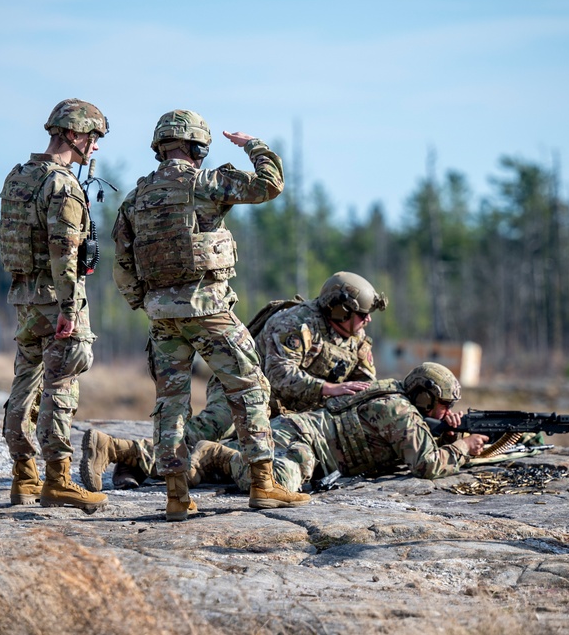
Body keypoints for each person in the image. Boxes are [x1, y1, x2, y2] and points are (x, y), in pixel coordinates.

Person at [111, 109, 309, 521]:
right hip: (209, 310)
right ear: (197, 146)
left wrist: (146, 303)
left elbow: (123, 264)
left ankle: (176, 496)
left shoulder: (136, 198)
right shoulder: (205, 182)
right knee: (250, 386)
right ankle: (263, 484)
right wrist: (253, 144)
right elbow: (271, 184)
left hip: (162, 317)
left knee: (170, 403)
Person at [82, 271, 387, 490]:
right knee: (210, 428)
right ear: (339, 309)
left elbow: (364, 388)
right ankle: (123, 453)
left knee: (235, 454)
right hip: (244, 393)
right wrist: (327, 389)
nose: (367, 321)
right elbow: (280, 375)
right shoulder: (295, 324)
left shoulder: (357, 342)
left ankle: (138, 461)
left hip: (289, 416)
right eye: (362, 314)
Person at [0, 98, 108, 513]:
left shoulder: (18, 177)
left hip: (25, 297)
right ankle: (58, 479)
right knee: (62, 384)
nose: (94, 148)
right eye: (93, 138)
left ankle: (23, 476)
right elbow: (65, 250)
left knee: (25, 383)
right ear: (75, 134)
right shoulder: (61, 184)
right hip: (55, 300)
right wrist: (69, 307)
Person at [187, 363, 489, 493]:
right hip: (300, 440)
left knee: (186, 465)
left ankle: (141, 455)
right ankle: (218, 455)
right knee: (278, 482)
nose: (448, 411)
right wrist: (465, 447)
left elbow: (418, 447)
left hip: (293, 432)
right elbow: (425, 465)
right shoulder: (401, 411)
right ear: (424, 397)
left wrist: (448, 435)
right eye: (444, 403)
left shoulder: (399, 400)